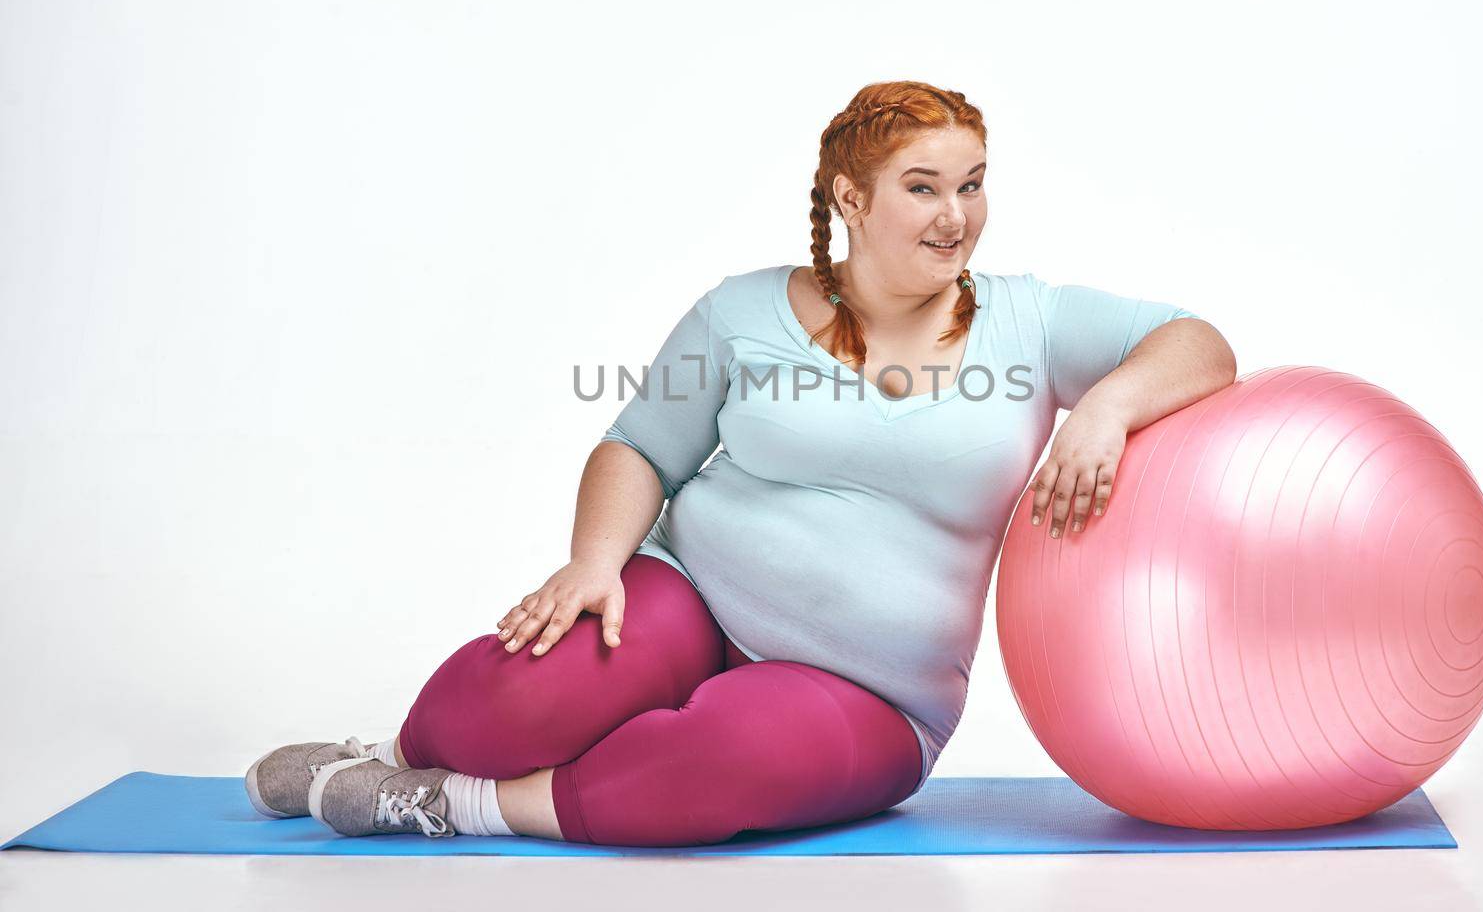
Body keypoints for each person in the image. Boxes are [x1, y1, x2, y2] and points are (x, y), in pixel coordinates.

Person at [243, 80, 1238, 847]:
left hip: (872, 691)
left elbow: (1197, 343)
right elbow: (639, 444)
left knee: (704, 764)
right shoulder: (743, 310)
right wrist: (595, 564)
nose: (956, 217)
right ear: (851, 196)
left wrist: (1103, 405)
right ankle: (390, 756)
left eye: (972, 186)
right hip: (689, 596)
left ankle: (449, 805)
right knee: (496, 704)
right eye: (923, 188)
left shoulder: (1032, 319)